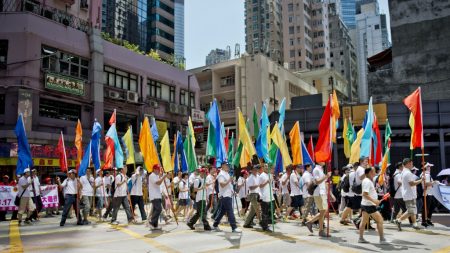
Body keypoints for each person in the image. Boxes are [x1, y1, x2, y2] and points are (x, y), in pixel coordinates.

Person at [358, 167, 389, 244]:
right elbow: (365, 194)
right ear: (369, 173)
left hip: (365, 204)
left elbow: (367, 193)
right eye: (373, 172)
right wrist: (374, 201)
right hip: (369, 205)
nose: (375, 173)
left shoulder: (366, 180)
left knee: (364, 221)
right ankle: (382, 239)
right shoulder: (367, 181)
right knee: (380, 220)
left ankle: (361, 238)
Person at [395, 158, 423, 231]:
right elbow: (412, 183)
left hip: (409, 193)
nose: (412, 165)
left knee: (413, 210)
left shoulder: (404, 172)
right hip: (409, 194)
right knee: (411, 211)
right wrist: (421, 180)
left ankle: (414, 224)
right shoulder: (407, 173)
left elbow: (401, 182)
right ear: (407, 163)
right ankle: (398, 220)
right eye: (411, 163)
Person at [213, 162, 240, 233]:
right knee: (230, 211)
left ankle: (215, 224)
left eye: (228, 165)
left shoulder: (226, 173)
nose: (228, 167)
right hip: (225, 195)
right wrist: (229, 180)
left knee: (222, 211)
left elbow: (229, 185)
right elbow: (222, 185)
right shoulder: (221, 175)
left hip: (228, 194)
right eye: (227, 165)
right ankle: (234, 227)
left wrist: (233, 191)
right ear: (223, 166)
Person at [305, 162, 331, 237]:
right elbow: (317, 181)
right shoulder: (316, 169)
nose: (324, 161)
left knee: (323, 211)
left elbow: (323, 183)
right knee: (323, 211)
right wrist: (326, 176)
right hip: (318, 193)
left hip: (322, 192)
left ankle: (313, 224)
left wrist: (329, 193)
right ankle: (319, 229)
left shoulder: (320, 169)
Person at [148, 164, 167, 230]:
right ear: (155, 169)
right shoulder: (152, 175)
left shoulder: (156, 175)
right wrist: (163, 177)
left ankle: (155, 225)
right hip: (154, 196)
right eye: (158, 169)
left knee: (155, 210)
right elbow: (158, 183)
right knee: (159, 209)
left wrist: (162, 176)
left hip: (157, 195)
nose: (159, 171)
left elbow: (159, 182)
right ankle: (152, 222)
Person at [243, 164, 261, 229]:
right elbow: (250, 188)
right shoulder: (250, 177)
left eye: (256, 169)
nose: (256, 170)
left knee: (252, 211)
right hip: (253, 194)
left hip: (257, 194)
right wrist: (258, 185)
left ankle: (246, 223)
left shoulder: (258, 176)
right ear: (252, 170)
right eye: (254, 169)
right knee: (257, 209)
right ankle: (261, 222)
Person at [420, 162, 438, 227]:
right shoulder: (425, 174)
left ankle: (427, 219)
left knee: (431, 206)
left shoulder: (426, 174)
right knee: (426, 208)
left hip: (429, 193)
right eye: (428, 166)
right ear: (424, 167)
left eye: (429, 166)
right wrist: (434, 182)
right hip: (427, 193)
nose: (429, 167)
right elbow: (426, 184)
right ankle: (424, 221)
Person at [258, 164, 272, 232]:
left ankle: (263, 223)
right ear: (263, 168)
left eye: (268, 166)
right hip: (264, 196)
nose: (267, 168)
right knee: (265, 212)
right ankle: (265, 226)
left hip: (269, 196)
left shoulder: (270, 175)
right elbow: (260, 186)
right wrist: (266, 182)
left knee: (267, 211)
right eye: (265, 166)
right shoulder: (262, 175)